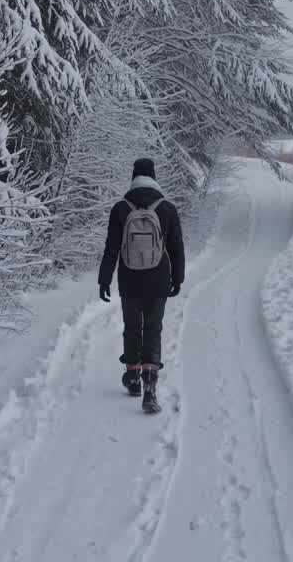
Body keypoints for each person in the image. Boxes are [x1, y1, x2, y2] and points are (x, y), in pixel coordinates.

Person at [98, 158, 185, 414]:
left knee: (132, 327)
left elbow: (111, 248)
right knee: (153, 330)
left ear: (133, 177)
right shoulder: (167, 208)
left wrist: (104, 279)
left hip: (129, 280)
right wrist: (177, 278)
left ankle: (133, 378)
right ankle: (150, 388)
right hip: (158, 281)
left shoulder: (120, 209)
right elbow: (176, 248)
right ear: (154, 178)